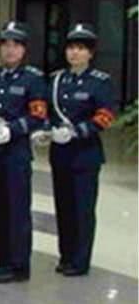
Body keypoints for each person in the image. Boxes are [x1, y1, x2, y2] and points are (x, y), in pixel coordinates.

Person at [0, 20, 47, 283]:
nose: (10, 49)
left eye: (16, 44)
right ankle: (3, 260)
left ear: (24, 49)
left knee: (17, 210)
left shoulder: (33, 78)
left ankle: (19, 265)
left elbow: (37, 115)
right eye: (5, 44)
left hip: (15, 153)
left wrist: (13, 129)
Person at [47, 23, 115, 276]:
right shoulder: (57, 80)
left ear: (90, 53)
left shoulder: (100, 82)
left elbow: (106, 116)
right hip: (60, 153)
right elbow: (48, 112)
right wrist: (47, 130)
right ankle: (66, 255)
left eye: (81, 48)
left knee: (82, 209)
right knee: (63, 207)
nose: (74, 53)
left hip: (85, 154)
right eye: (71, 48)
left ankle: (80, 260)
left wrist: (77, 131)